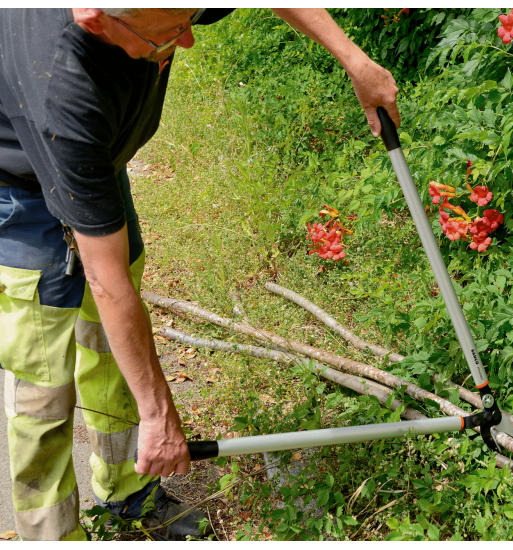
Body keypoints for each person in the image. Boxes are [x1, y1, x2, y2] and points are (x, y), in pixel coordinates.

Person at [0, 8, 399, 541]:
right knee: (42, 396)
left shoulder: (155, 11)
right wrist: (161, 415)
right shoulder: (64, 91)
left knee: (115, 349)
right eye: (169, 35)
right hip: (21, 191)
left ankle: (127, 493)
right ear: (100, 23)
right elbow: (107, 280)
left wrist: (356, 60)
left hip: (100, 163)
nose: (189, 39)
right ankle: (49, 537)